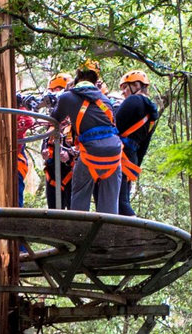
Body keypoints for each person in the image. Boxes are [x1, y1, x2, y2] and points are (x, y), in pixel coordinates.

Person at [52, 61, 123, 214]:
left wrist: (66, 93)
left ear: (77, 77)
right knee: (110, 209)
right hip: (114, 155)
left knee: (79, 200)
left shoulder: (68, 97)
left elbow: (55, 118)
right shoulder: (105, 100)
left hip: (90, 155)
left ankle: (78, 227)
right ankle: (108, 229)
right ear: (96, 80)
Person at [114, 70, 160, 217]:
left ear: (136, 85)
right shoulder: (151, 114)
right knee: (123, 199)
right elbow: (144, 145)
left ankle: (134, 225)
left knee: (120, 202)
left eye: (125, 88)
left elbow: (114, 124)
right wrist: (136, 165)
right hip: (132, 157)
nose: (123, 92)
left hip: (121, 154)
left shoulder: (133, 100)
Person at [40, 73, 71, 209]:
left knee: (73, 212)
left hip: (70, 173)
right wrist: (45, 153)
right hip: (52, 173)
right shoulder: (51, 122)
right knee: (54, 211)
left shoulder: (75, 120)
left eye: (57, 91)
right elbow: (46, 141)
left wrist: (69, 157)